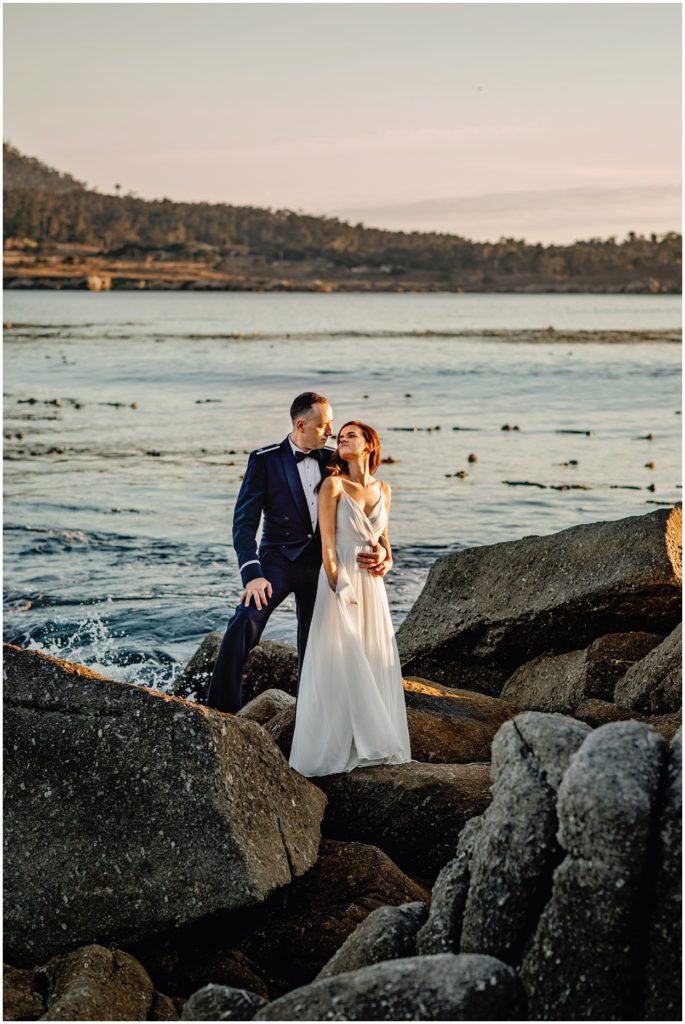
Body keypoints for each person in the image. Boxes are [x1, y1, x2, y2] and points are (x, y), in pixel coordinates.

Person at [206, 393, 390, 713]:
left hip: (322, 563)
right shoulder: (264, 460)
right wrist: (253, 575)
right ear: (301, 424)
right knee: (246, 617)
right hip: (278, 562)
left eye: (332, 425)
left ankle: (310, 715)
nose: (330, 431)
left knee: (316, 640)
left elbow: (368, 513)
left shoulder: (335, 460)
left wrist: (386, 554)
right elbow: (243, 525)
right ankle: (219, 709)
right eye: (324, 426)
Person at [288, 420, 412, 777]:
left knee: (372, 654)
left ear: (370, 444)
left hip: (372, 584)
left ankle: (372, 741)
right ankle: (334, 747)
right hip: (341, 581)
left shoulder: (384, 489)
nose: (341, 440)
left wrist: (387, 560)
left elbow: (385, 541)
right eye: (339, 437)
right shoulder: (333, 485)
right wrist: (338, 586)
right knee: (339, 659)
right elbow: (326, 545)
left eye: (350, 436)